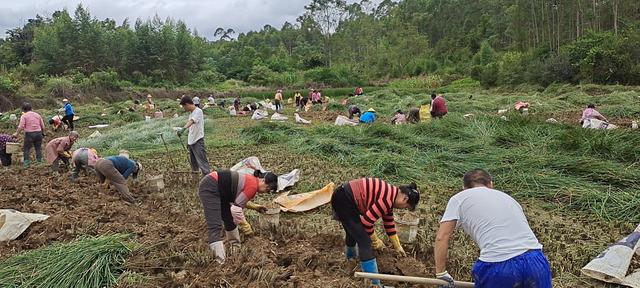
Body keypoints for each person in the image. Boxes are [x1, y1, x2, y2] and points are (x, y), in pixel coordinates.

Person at [434, 169, 551, 288]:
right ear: (490, 184)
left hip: (498, 265)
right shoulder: (509, 199)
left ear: (464, 187)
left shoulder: (459, 198)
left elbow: (442, 237)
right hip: (536, 261)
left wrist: (441, 273)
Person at [331, 178, 420, 287]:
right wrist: (375, 240)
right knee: (365, 241)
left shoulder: (391, 195)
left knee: (353, 232)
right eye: (406, 207)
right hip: (344, 200)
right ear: (405, 198)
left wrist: (397, 246)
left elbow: (389, 223)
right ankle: (374, 284)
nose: (403, 209)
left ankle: (351, 260)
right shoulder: (387, 200)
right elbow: (367, 222)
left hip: (342, 195)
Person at [198, 169, 278, 263]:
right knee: (215, 226)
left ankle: (235, 250)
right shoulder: (253, 186)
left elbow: (239, 200)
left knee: (229, 220)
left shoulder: (252, 182)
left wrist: (255, 207)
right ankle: (220, 261)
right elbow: (235, 209)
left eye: (268, 191)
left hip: (221, 191)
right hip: (210, 187)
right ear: (263, 180)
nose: (265, 191)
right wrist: (245, 226)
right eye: (267, 188)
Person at [177, 96, 211, 175]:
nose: (184, 109)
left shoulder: (198, 111)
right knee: (194, 165)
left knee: (203, 163)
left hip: (198, 141)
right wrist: (188, 142)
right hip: (191, 143)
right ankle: (195, 182)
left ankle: (208, 181)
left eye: (184, 107)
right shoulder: (191, 114)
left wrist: (183, 129)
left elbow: (192, 121)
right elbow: (191, 129)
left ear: (187, 104)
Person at [13, 102, 45, 167]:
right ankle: (40, 162)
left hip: (29, 134)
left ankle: (26, 164)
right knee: (38, 148)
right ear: (31, 108)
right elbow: (43, 126)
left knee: (26, 148)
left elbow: (21, 126)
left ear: (23, 110)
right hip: (38, 133)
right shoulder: (37, 115)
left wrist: (16, 133)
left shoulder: (24, 116)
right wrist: (43, 133)